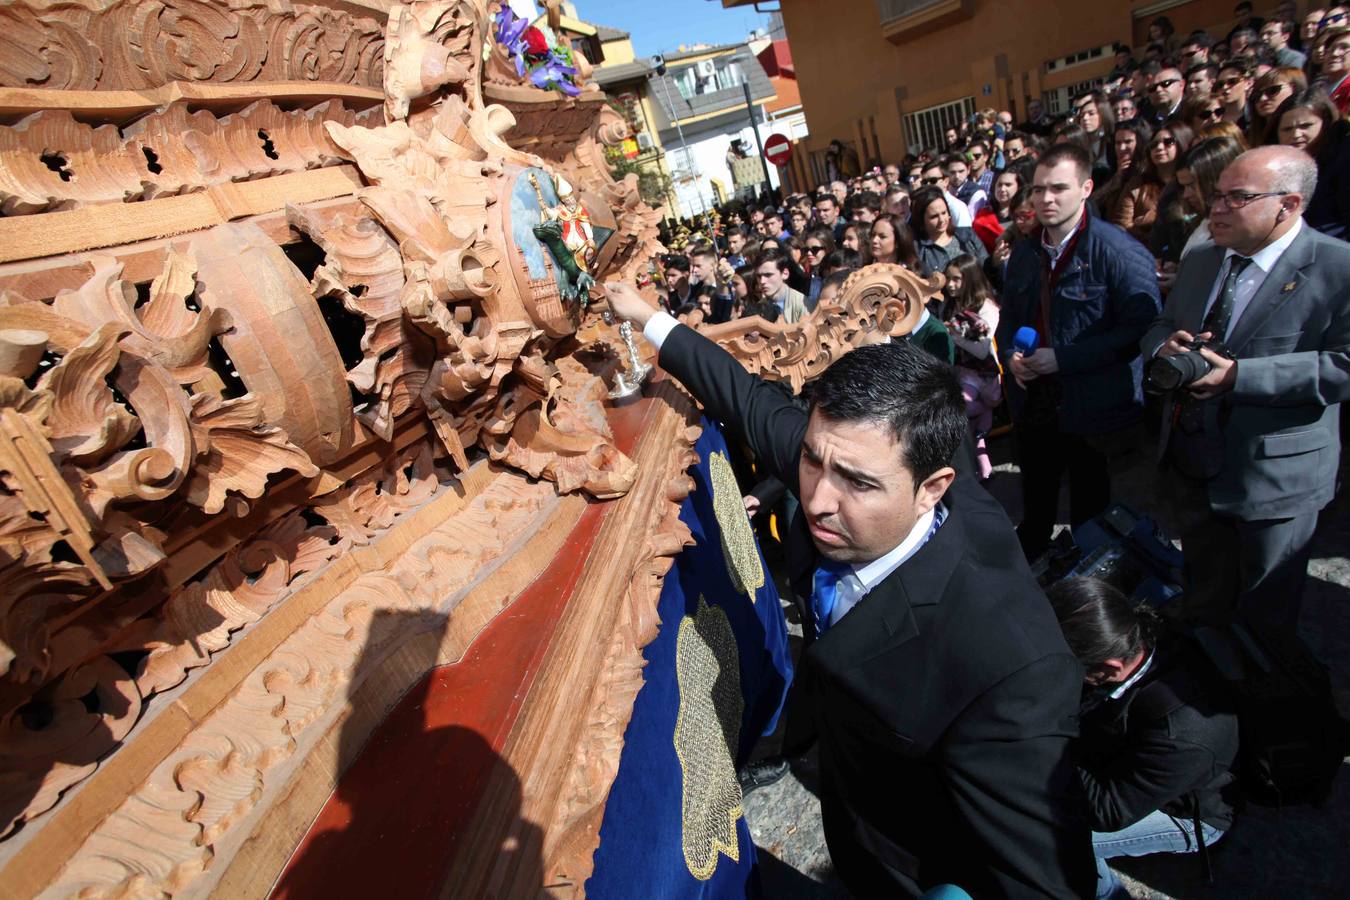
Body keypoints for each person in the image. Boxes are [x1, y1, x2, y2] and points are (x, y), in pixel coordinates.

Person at [603, 280, 1096, 899]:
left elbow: (1046, 881)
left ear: (934, 488)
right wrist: (651, 319)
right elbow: (749, 399)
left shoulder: (1009, 667)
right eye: (810, 461)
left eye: (857, 485)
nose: (816, 501)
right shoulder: (846, 457)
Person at [1140, 146, 1350, 630]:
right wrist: (1162, 346)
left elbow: (1342, 365)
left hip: (1273, 482)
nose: (1216, 208)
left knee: (1266, 625)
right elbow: (1160, 324)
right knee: (1205, 609)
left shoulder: (1337, 269)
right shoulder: (1201, 261)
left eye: (1237, 198)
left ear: (1289, 204)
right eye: (1216, 196)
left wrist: (1240, 377)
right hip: (1194, 471)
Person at [996, 143, 1161, 561]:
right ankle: (1033, 554)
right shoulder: (1024, 252)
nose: (1045, 199)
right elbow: (1009, 317)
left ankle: (1086, 572)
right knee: (1036, 493)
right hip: (1034, 400)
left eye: (1058, 188)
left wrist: (1065, 358)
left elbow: (1141, 326)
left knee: (1090, 504)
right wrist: (1011, 356)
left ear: (1087, 188)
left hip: (1093, 407)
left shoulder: (1117, 252)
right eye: (1037, 189)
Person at [1047, 578, 1238, 900]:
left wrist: (1042, 738)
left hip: (1184, 812)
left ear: (1110, 668)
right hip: (1121, 756)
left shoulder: (1182, 736)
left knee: (1048, 836)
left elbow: (1108, 811)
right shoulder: (1135, 636)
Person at [940, 254, 1002, 480]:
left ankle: (981, 466)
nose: (951, 284)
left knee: (972, 408)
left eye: (957, 279)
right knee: (963, 412)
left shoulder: (987, 307)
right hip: (963, 373)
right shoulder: (949, 304)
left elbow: (983, 349)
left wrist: (955, 337)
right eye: (948, 279)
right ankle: (983, 470)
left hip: (985, 374)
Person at [1275, 89, 1350, 238]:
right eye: (1287, 129)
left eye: (1305, 126)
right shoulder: (1276, 167)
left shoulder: (1344, 158)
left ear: (1326, 124)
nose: (1296, 135)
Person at [1114, 123, 1194, 243]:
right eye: (1154, 144)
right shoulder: (1137, 184)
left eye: (1168, 142)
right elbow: (1120, 227)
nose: (1159, 147)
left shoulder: (1192, 181)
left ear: (1182, 143)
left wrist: (1150, 219)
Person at [911, 185, 988, 278]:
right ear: (921, 220)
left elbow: (986, 268)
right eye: (934, 217)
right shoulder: (917, 248)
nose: (942, 220)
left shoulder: (967, 235)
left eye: (944, 213)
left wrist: (995, 261)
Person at [1248, 66, 1308, 144]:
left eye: (1272, 90)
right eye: (1257, 95)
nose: (1262, 98)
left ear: (1294, 88)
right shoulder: (1247, 138)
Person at [752, 247, 811, 323]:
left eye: (768, 275)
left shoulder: (803, 304)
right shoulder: (759, 307)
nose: (762, 281)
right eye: (759, 276)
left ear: (785, 273)